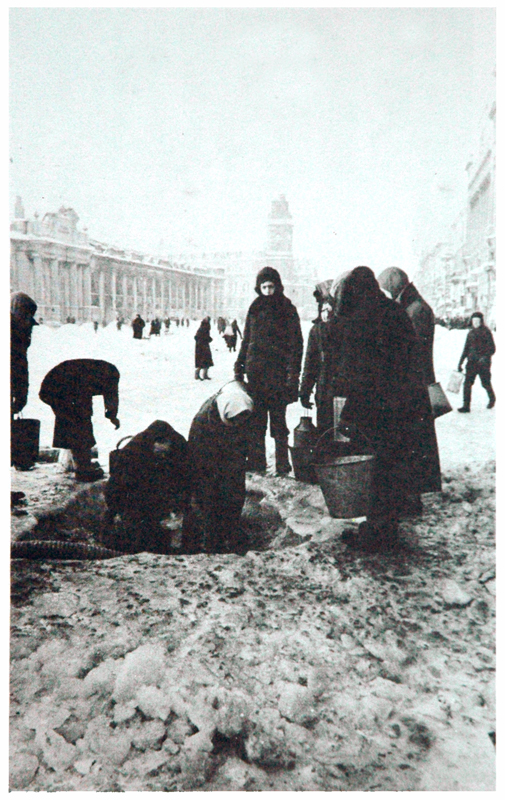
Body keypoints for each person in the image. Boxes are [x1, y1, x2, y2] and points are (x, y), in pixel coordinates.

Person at [328, 267, 433, 550]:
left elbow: (360, 373)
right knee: (391, 467)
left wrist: (349, 411)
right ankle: (384, 526)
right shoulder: (391, 310)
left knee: (378, 468)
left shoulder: (364, 318)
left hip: (380, 407)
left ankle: (377, 534)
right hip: (403, 404)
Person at [377, 267, 442, 506]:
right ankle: (416, 489)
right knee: (417, 440)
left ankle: (415, 493)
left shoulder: (415, 311)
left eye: (386, 288)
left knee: (416, 441)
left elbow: (410, 351)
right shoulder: (414, 305)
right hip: (417, 383)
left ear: (395, 285)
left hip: (416, 386)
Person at [234, 266, 303, 475]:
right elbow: (247, 340)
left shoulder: (287, 309)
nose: (268, 291)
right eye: (264, 287)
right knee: (256, 424)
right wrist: (239, 366)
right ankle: (257, 463)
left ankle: (282, 465)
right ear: (259, 288)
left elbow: (296, 345)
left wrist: (293, 376)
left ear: (278, 286)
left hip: (278, 377)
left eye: (271, 286)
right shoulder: (254, 308)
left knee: (279, 424)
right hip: (256, 377)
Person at [181, 380, 254, 554]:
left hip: (232, 456)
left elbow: (247, 440)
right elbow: (198, 455)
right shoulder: (204, 420)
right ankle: (211, 541)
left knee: (235, 494)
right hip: (206, 459)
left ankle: (231, 531)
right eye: (234, 421)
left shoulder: (243, 408)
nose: (238, 424)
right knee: (210, 499)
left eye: (242, 421)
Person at [103, 420, 189, 554]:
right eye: (159, 453)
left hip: (165, 496)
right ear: (152, 443)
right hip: (138, 498)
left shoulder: (179, 447)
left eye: (165, 454)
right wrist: (117, 511)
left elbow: (187, 480)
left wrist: (177, 507)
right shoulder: (132, 453)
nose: (162, 456)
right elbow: (115, 487)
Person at [39, 359, 120, 482]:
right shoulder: (108, 375)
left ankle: (80, 465)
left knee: (76, 423)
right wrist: (112, 416)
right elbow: (111, 396)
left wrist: (111, 415)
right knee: (80, 425)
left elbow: (107, 397)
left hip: (58, 386)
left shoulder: (98, 373)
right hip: (56, 387)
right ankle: (83, 469)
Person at [299, 285, 338, 435]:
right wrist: (305, 390)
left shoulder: (345, 329)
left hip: (341, 391)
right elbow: (310, 364)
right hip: (323, 391)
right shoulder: (316, 331)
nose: (326, 315)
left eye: (329, 310)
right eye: (323, 310)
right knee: (325, 433)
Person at [457, 311, 496, 412]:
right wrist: (460, 363)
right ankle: (466, 406)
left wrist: (484, 357)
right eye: (474, 321)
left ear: (481, 321)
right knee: (467, 384)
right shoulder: (470, 333)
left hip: (483, 364)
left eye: (477, 321)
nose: (475, 323)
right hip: (471, 363)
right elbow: (465, 349)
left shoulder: (486, 332)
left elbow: (492, 348)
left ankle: (492, 398)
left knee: (485, 383)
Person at [11, 292, 39, 415]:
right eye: (27, 318)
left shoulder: (20, 338)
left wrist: (21, 395)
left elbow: (21, 366)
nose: (29, 327)